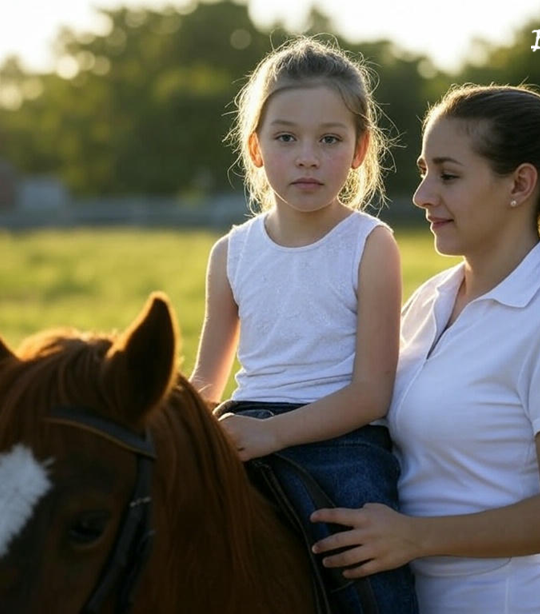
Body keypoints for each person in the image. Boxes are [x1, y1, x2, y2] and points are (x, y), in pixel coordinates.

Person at [310, 84, 540, 613]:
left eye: (448, 176)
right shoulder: (430, 298)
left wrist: (414, 537)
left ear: (520, 184)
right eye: (424, 171)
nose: (422, 195)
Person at [189, 37, 419, 613]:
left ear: (360, 149)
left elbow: (371, 394)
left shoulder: (370, 244)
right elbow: (207, 382)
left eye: (330, 139)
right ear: (256, 147)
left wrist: (276, 435)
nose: (308, 157)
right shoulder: (231, 252)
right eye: (286, 137)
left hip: (343, 441)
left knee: (368, 572)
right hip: (243, 428)